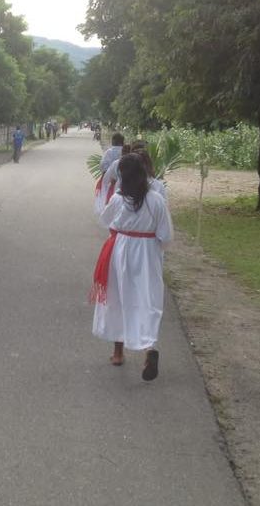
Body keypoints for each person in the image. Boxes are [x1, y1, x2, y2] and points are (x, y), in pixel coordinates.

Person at [90, 153, 173, 381]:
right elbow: (166, 236)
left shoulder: (118, 199)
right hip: (148, 253)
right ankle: (150, 348)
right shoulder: (156, 200)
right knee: (147, 299)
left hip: (120, 251)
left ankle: (118, 353)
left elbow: (105, 221)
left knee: (118, 298)